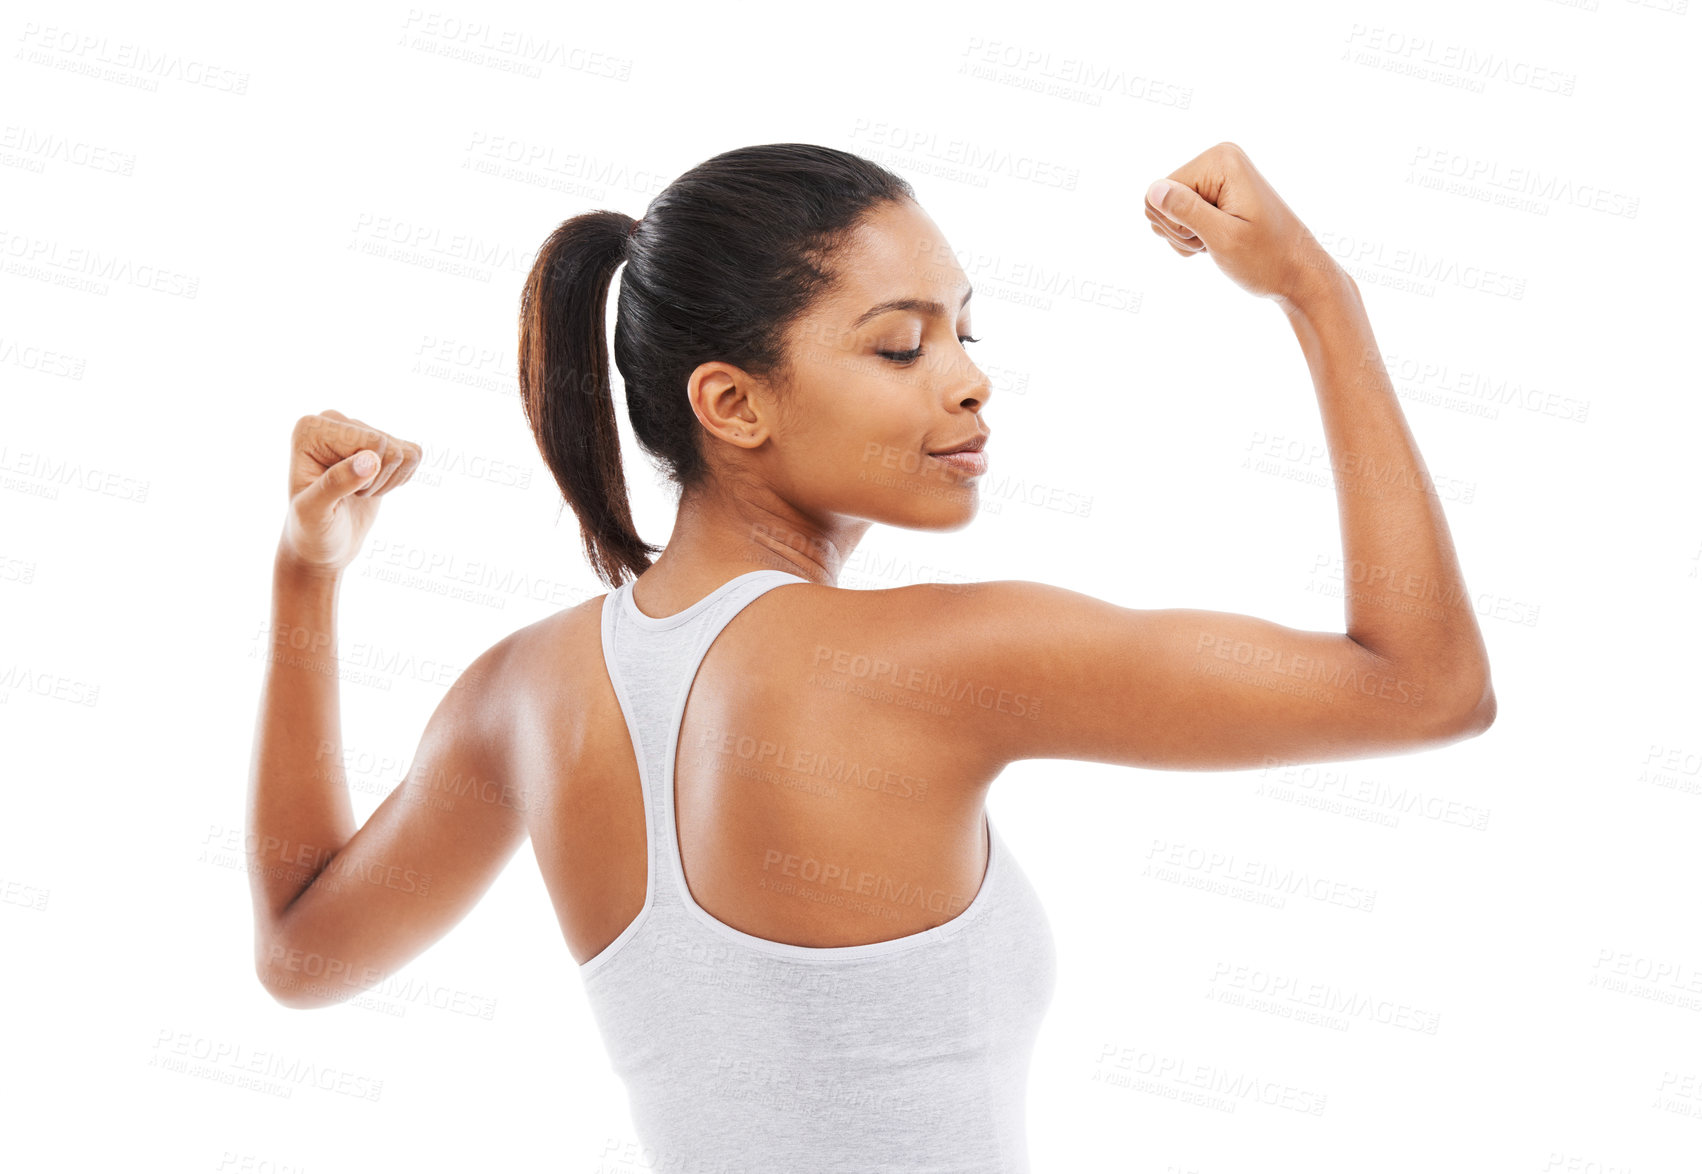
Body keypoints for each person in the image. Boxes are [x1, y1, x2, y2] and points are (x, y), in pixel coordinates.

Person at [246, 142, 1495, 1170]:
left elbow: (302, 951)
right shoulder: (937, 657)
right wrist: (1319, 298)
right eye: (902, 346)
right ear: (732, 404)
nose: (968, 386)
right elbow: (1424, 686)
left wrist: (308, 574)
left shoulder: (519, 693)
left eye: (966, 334)